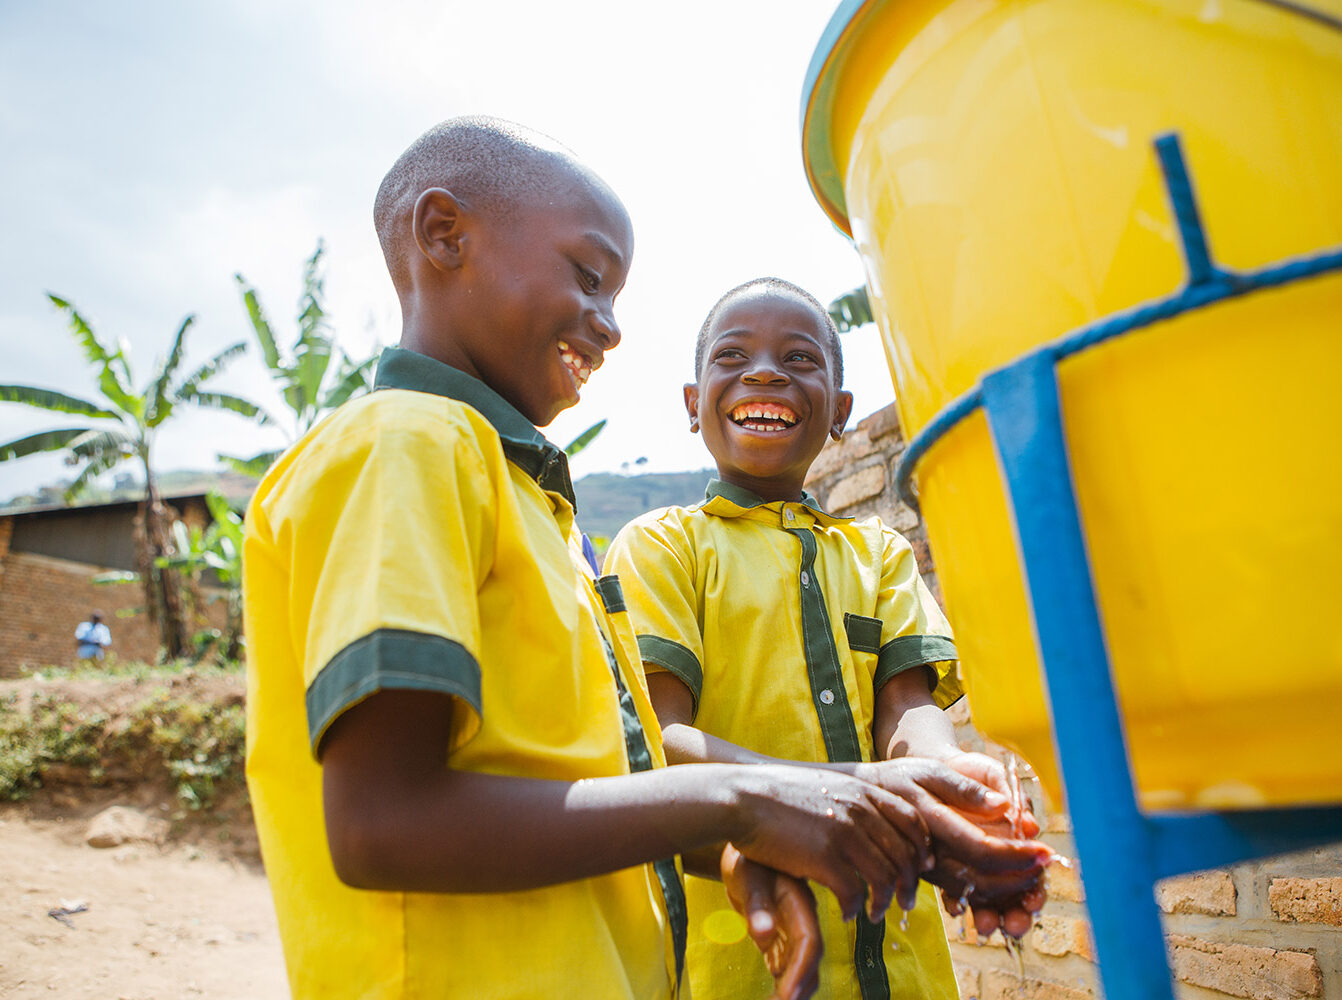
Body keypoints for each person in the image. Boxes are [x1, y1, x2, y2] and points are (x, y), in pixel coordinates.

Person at [242, 117, 1039, 1000]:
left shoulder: (538, 516)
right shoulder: (405, 447)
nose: (610, 328)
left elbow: (601, 784)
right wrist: (744, 803)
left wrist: (736, 850)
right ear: (444, 237)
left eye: (616, 297)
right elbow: (383, 825)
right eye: (588, 278)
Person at [605, 277, 1052, 999]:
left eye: (800, 358)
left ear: (841, 413)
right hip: (741, 964)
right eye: (733, 355)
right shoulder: (662, 547)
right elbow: (664, 742)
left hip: (905, 968)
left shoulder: (878, 553)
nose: (764, 372)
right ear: (694, 405)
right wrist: (879, 793)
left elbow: (908, 708)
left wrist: (951, 787)